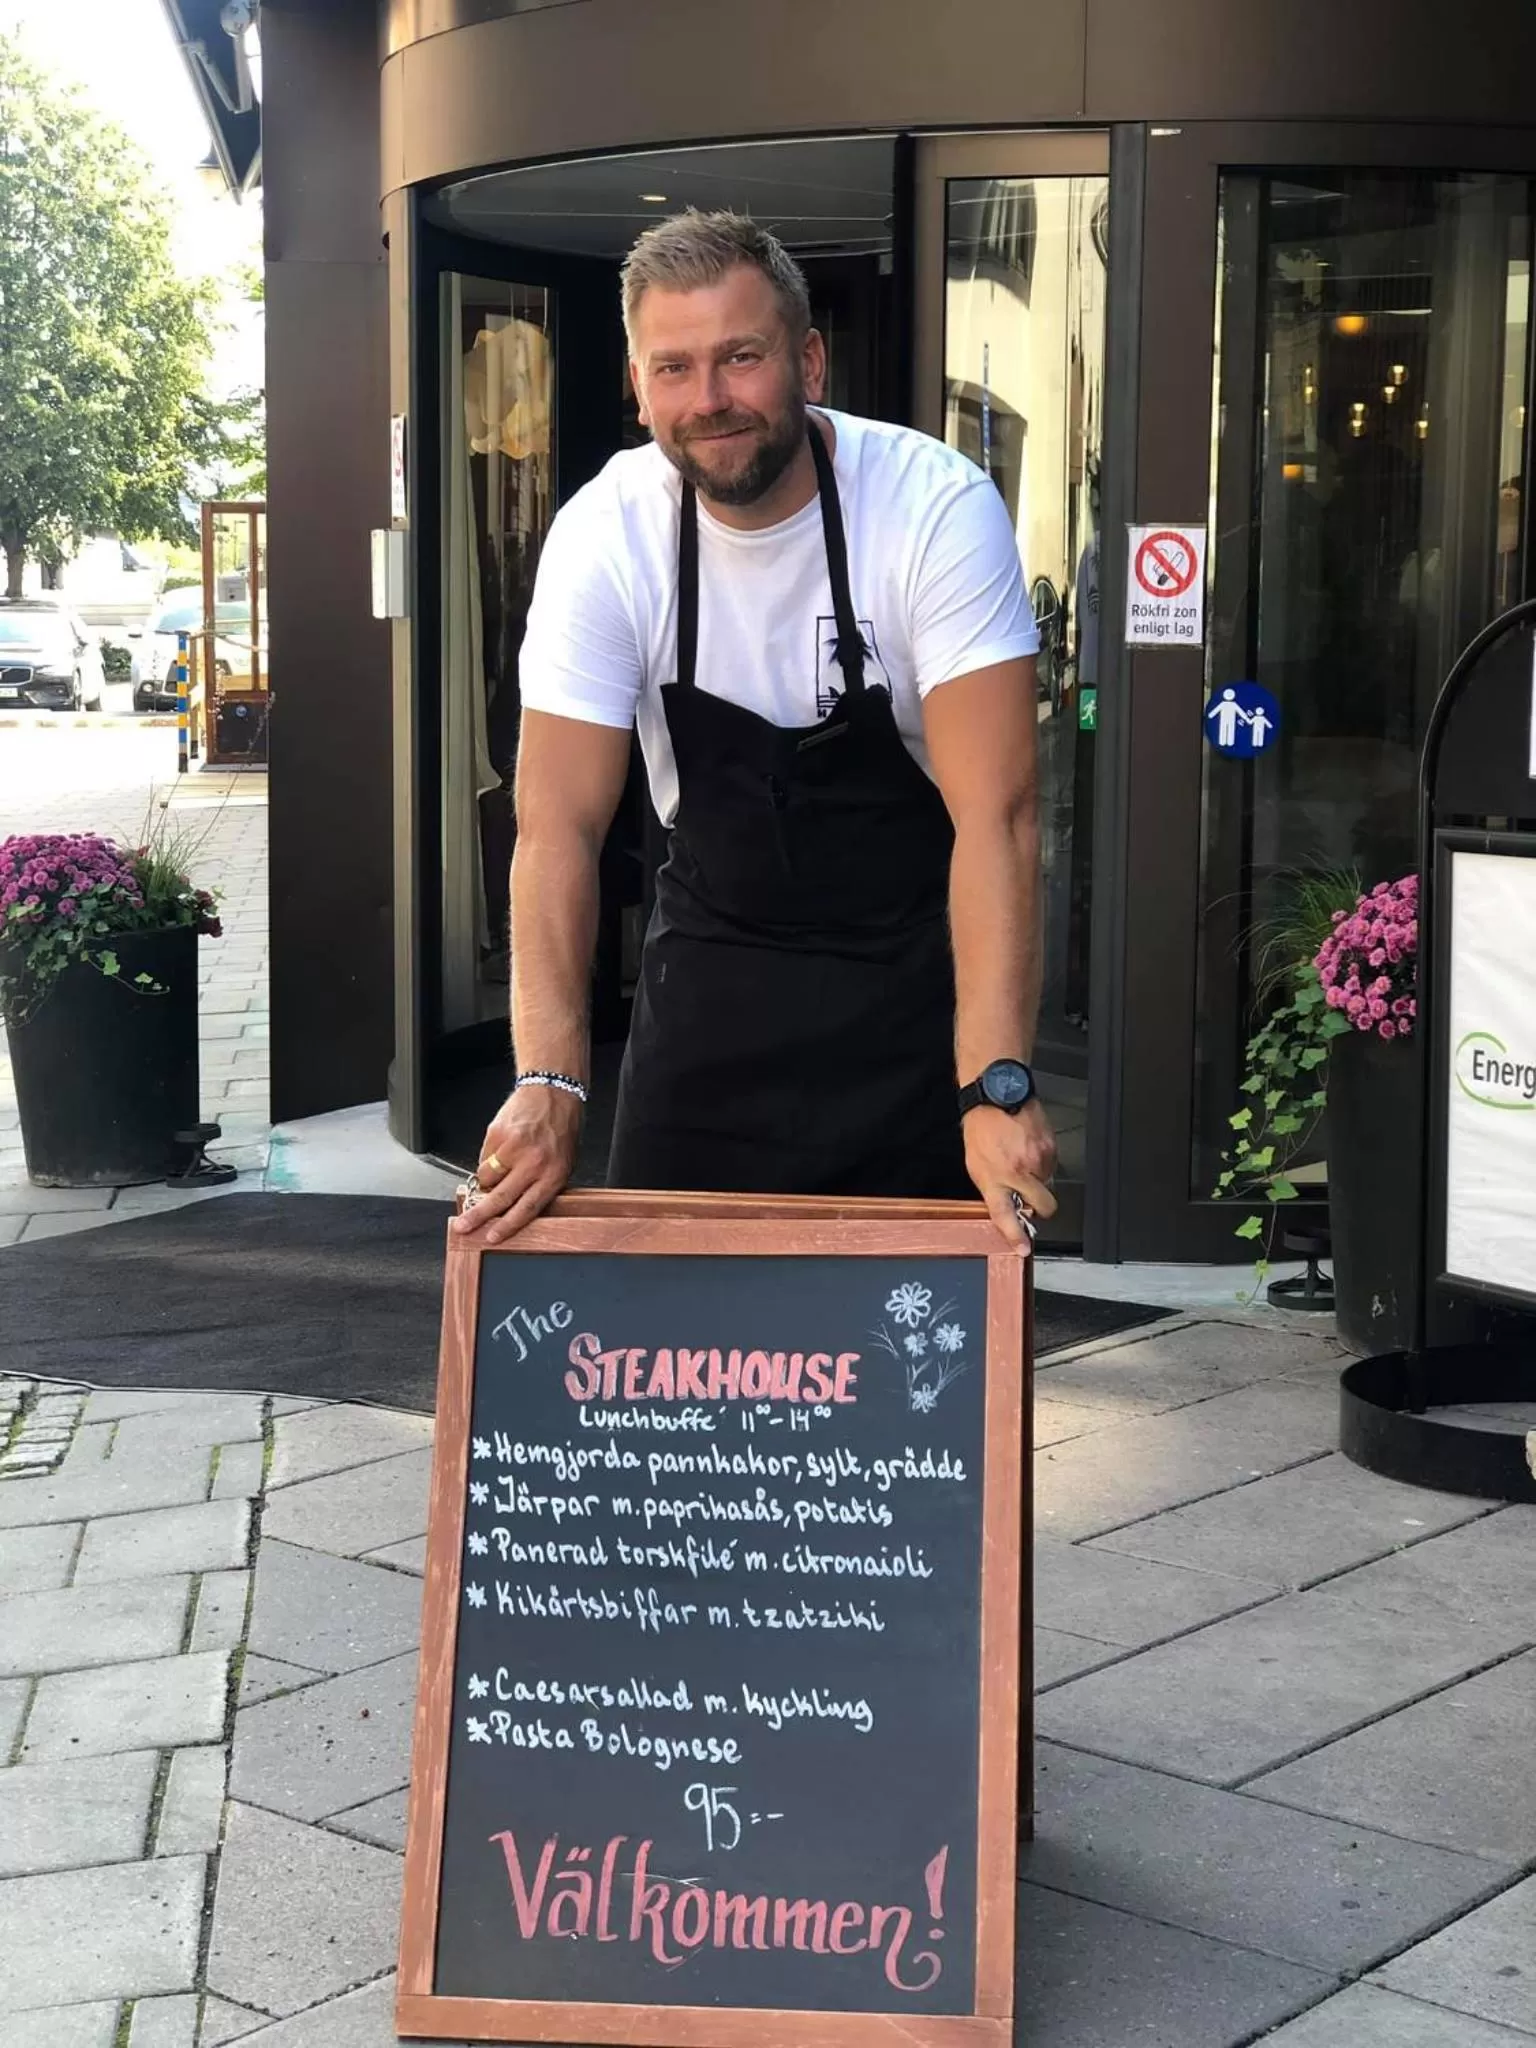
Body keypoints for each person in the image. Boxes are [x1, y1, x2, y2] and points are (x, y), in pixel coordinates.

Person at [456, 210, 1056, 1248]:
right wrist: (549, 1079)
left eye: (742, 357)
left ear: (808, 358)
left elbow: (996, 820)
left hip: (912, 989)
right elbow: (557, 828)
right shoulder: (606, 535)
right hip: (713, 985)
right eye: (675, 368)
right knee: (668, 1340)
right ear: (638, 386)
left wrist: (995, 1082)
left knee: (916, 1374)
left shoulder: (933, 508)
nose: (711, 399)